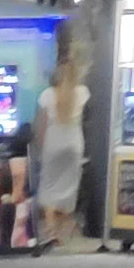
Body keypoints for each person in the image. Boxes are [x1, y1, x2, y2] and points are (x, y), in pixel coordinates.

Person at [28, 61, 88, 251]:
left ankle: (51, 231)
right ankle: (62, 233)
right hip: (74, 142)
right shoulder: (82, 93)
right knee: (69, 187)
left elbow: (41, 125)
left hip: (54, 141)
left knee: (49, 186)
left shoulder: (47, 95)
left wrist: (40, 146)